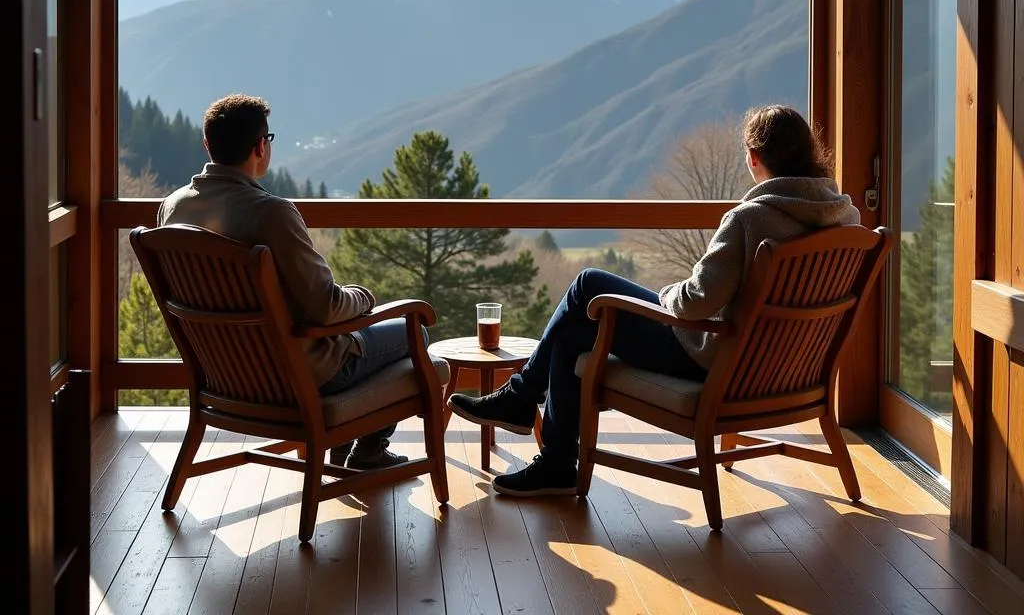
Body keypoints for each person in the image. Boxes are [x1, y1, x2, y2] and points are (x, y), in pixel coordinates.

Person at [447, 104, 861, 497]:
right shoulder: (845, 219)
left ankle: (528, 412)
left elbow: (693, 304)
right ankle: (540, 434)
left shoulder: (750, 219)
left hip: (714, 362)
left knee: (588, 284)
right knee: (574, 334)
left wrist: (667, 292)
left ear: (754, 158)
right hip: (785, 368)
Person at [158, 93, 413, 470]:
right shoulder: (271, 214)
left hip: (223, 374)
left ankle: (345, 442)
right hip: (298, 375)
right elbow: (326, 307)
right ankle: (368, 448)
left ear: (208, 145)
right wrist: (363, 296)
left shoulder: (172, 208)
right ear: (261, 146)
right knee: (414, 330)